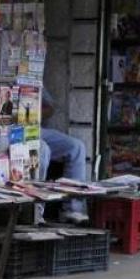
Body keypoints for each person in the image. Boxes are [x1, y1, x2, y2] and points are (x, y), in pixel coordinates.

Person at [38, 89, 89, 223]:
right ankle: (36, 212)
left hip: (32, 128)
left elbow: (49, 108)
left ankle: (73, 210)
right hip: (1, 131)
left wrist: (31, 113)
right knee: (42, 149)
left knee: (76, 147)